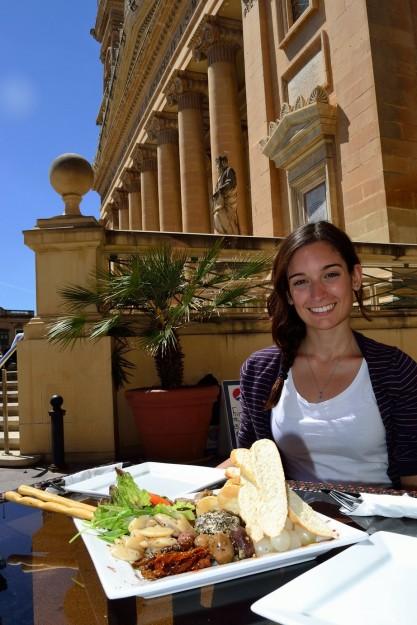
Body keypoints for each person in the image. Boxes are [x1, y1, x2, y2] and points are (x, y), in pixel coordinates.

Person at [237, 221, 417, 489]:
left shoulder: (396, 370)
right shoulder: (260, 371)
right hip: (297, 527)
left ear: (355, 277)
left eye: (330, 275)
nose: (317, 294)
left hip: (381, 527)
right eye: (301, 281)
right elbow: (249, 464)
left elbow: (413, 481)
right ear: (288, 294)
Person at [212, 155, 240, 235]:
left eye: (218, 164)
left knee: (225, 218)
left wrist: (220, 190)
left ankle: (233, 236)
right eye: (216, 165)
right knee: (217, 217)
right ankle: (226, 235)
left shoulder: (229, 170)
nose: (217, 167)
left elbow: (230, 183)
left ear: (223, 163)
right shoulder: (219, 178)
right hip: (220, 203)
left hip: (227, 201)